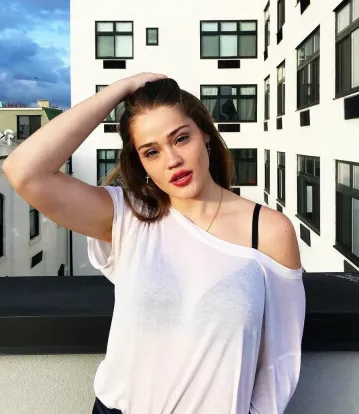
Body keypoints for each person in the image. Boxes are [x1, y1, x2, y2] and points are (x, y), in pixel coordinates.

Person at [3, 73, 306, 414]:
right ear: (141, 163)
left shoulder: (267, 230)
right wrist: (120, 90)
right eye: (151, 152)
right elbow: (23, 171)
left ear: (204, 134)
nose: (172, 161)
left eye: (180, 138)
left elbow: (280, 358)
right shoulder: (129, 217)